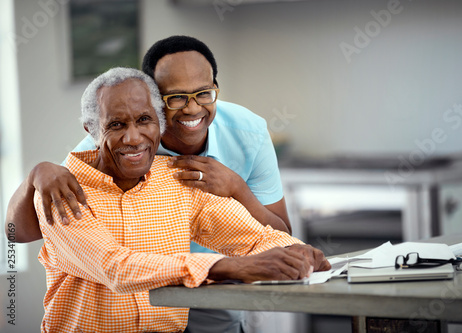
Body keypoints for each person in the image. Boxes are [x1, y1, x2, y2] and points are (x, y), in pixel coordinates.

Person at [5, 36, 290, 332]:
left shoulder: (243, 135)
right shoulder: (83, 174)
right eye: (176, 97)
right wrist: (34, 176)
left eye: (203, 93)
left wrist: (238, 190)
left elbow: (270, 235)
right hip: (189, 281)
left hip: (214, 296)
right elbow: (23, 233)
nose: (192, 109)